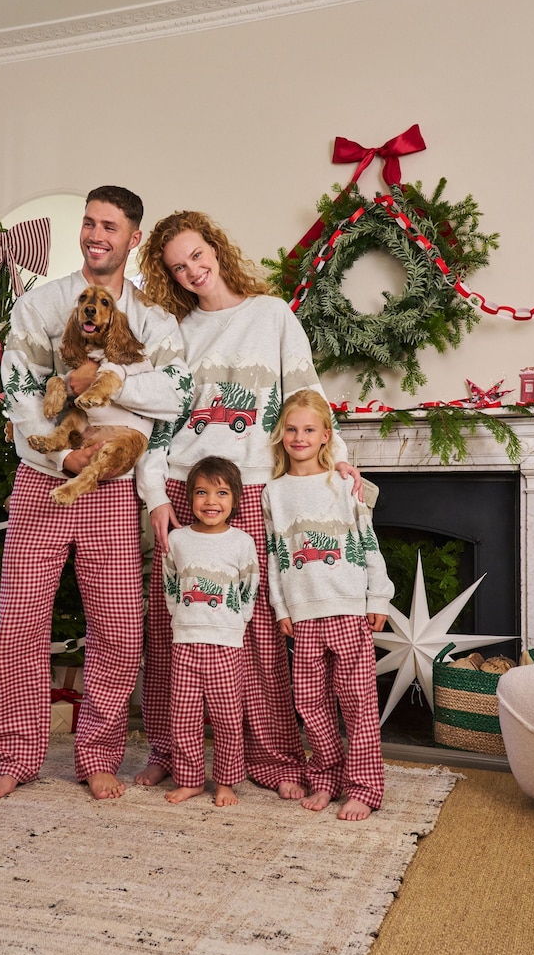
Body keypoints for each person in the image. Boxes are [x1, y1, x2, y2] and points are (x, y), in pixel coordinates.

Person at [134, 210, 363, 798]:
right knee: (172, 626)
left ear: (216, 246)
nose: (192, 271)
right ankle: (169, 745)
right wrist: (156, 495)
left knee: (257, 630)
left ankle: (272, 756)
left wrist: (335, 453)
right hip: (187, 485)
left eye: (197, 255)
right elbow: (155, 420)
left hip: (255, 486)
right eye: (178, 267)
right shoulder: (172, 330)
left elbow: (303, 391)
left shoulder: (272, 315)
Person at [0, 186, 191, 801]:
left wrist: (107, 380)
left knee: (120, 629)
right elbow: (18, 384)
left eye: (110, 226)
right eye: (90, 223)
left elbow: (175, 392)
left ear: (133, 238)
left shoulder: (154, 320)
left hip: (114, 489)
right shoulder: (41, 303)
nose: (97, 235)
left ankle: (97, 752)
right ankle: (17, 753)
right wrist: (64, 450)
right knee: (19, 619)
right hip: (44, 481)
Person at [262, 390, 393, 820]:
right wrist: (281, 608)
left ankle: (364, 786)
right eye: (292, 430)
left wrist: (379, 596)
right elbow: (274, 554)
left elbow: (368, 541)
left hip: (348, 609)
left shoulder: (344, 484)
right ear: (282, 435)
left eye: (309, 430)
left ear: (325, 437)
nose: (299, 437)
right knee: (310, 703)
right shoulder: (274, 493)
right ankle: (326, 777)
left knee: (356, 702)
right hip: (303, 615)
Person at [162, 456, 258, 807]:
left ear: (235, 499)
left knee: (227, 717)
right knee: (183, 715)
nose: (211, 502)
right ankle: (189, 779)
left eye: (221, 493)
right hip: (185, 640)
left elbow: (250, 584)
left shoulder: (241, 542)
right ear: (190, 498)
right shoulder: (178, 539)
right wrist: (179, 616)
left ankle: (226, 782)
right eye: (202, 493)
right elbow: (170, 582)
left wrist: (239, 620)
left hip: (226, 642)